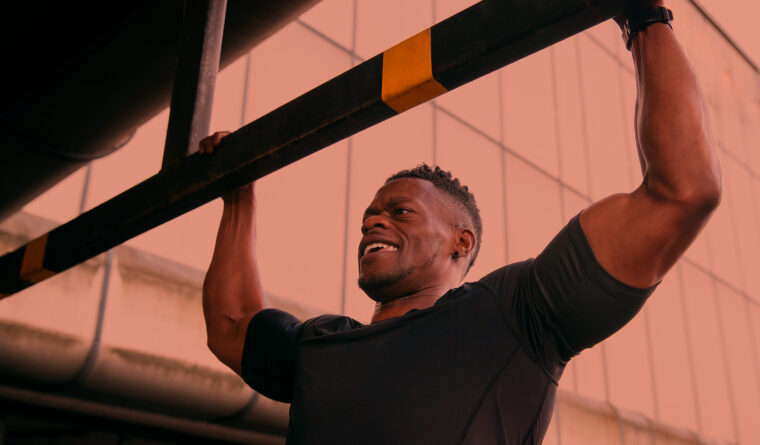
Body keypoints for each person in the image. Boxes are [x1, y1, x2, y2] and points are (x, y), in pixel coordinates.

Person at [199, 1, 720, 443]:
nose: (373, 224)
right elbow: (229, 325)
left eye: (399, 212)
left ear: (460, 242)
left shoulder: (516, 315)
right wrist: (237, 195)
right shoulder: (318, 346)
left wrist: (645, 17)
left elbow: (681, 193)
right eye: (369, 218)